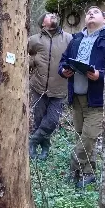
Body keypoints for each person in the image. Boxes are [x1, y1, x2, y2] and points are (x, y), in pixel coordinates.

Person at [58, 6, 105, 187]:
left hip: (98, 99)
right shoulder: (76, 39)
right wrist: (63, 70)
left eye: (95, 12)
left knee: (88, 138)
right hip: (77, 98)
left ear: (104, 19)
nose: (90, 14)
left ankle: (74, 170)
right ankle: (88, 173)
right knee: (81, 136)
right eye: (88, 12)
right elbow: (63, 61)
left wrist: (100, 74)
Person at [28, 13, 72, 160]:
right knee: (39, 119)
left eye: (53, 15)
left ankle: (33, 141)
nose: (52, 15)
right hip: (38, 87)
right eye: (48, 15)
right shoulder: (34, 40)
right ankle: (44, 148)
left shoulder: (68, 38)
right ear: (42, 24)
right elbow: (22, 56)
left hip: (60, 89)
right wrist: (33, 60)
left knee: (52, 120)